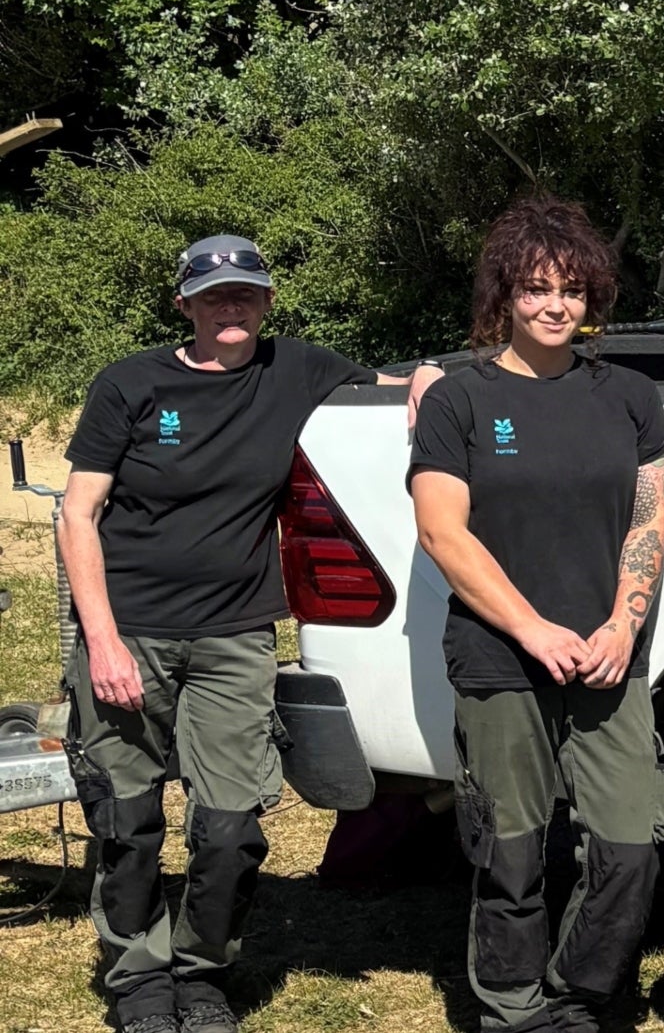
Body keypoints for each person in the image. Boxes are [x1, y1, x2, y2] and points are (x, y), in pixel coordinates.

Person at [59, 236, 440, 1033]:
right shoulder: (130, 384)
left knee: (230, 827)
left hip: (234, 638)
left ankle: (201, 972)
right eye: (214, 295)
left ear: (266, 302)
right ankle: (138, 982)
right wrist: (102, 640)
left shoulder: (297, 368)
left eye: (246, 294)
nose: (231, 307)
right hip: (129, 628)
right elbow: (76, 514)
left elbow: (392, 383)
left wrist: (433, 376)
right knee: (127, 821)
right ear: (184, 305)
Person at [410, 198, 664, 1033]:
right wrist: (531, 629)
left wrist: (622, 625)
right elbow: (440, 531)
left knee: (632, 844)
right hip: (499, 656)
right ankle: (512, 1006)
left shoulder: (629, 396)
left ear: (592, 296)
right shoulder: (461, 401)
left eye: (569, 289)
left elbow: (652, 518)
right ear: (507, 296)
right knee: (511, 849)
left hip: (607, 657)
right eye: (534, 289)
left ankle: (580, 989)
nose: (553, 305)